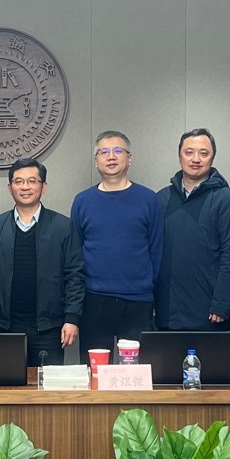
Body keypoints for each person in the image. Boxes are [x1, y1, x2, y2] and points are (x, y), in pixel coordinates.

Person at [0, 158, 85, 367]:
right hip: (8, 328)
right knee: (9, 384)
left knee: (47, 385)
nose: (25, 187)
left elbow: (75, 275)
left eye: (32, 181)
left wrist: (71, 318)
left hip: (49, 328)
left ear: (43, 187)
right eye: (18, 181)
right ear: (10, 187)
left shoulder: (63, 226)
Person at [71, 131, 164, 363]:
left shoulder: (148, 199)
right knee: (94, 372)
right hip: (94, 300)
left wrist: (148, 290)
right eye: (104, 152)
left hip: (138, 301)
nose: (111, 156)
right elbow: (76, 253)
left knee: (135, 374)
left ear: (129, 158)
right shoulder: (82, 201)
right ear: (96, 161)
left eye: (118, 151)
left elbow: (156, 250)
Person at [155, 129, 230, 332]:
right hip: (166, 310)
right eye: (189, 152)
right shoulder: (162, 199)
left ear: (212, 157)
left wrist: (222, 304)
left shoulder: (226, 199)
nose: (196, 159)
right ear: (179, 156)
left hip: (208, 312)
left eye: (204, 153)